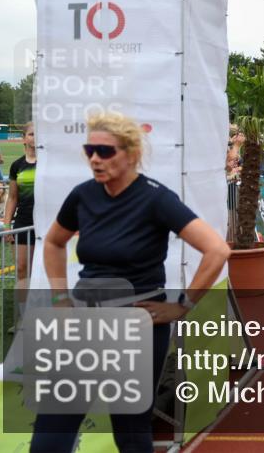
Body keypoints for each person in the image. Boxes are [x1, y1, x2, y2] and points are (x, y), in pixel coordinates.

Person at [33, 111, 230, 453]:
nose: (95, 158)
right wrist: (60, 298)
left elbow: (216, 250)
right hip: (85, 321)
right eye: (89, 149)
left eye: (106, 151)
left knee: (130, 428)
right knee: (53, 425)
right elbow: (53, 242)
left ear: (132, 153)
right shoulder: (82, 195)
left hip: (136, 325)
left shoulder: (156, 198)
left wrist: (183, 305)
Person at [3, 122, 37, 290]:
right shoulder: (17, 165)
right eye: (31, 134)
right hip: (23, 222)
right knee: (22, 270)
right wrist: (7, 225)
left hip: (49, 223)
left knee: (48, 270)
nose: (35, 137)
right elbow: (12, 197)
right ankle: (24, 312)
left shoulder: (49, 164)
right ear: (23, 139)